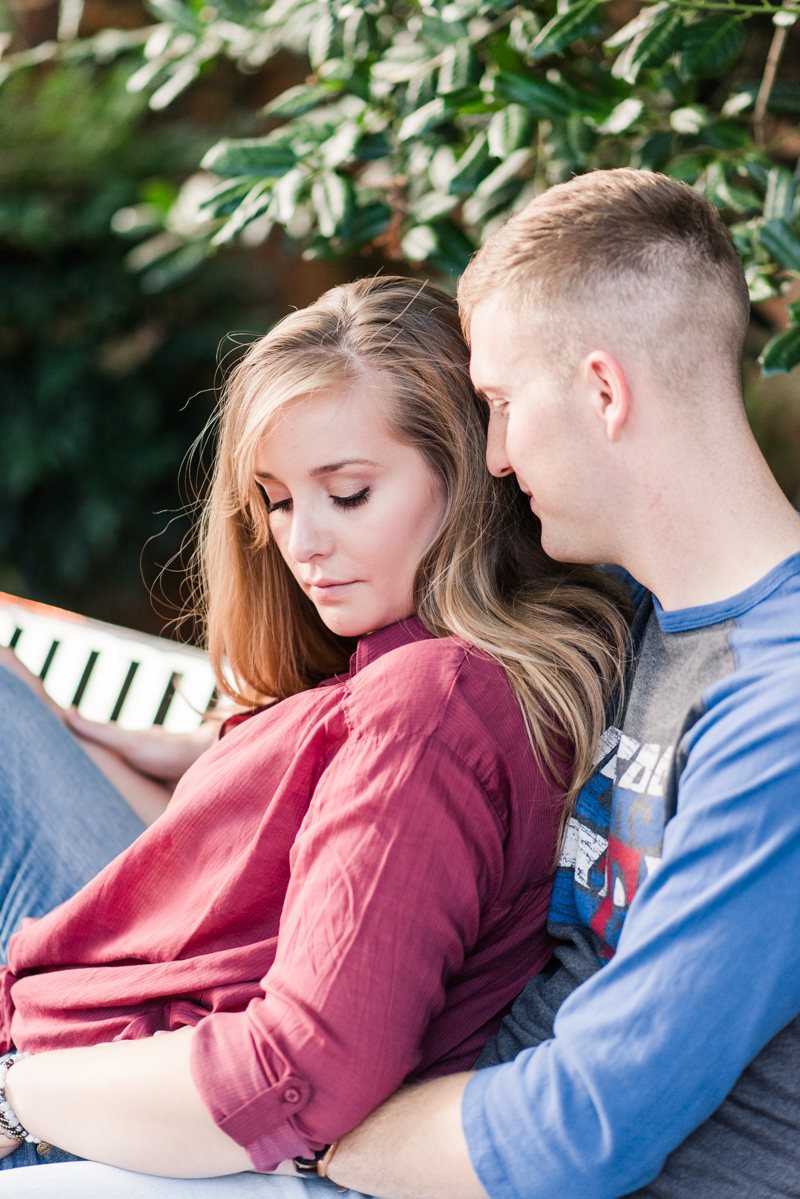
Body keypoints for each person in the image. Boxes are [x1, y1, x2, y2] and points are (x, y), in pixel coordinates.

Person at [75, 168, 800, 1199]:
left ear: (602, 389)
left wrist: (324, 1127)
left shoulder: (778, 715)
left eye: (500, 404)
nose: (492, 458)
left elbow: (580, 1127)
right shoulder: (640, 620)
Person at [0, 277, 630, 1187]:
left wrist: (18, 1095)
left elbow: (300, 1068)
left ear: (467, 476)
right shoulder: (421, 660)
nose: (302, 543)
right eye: (280, 501)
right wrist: (208, 760)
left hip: (133, 1110)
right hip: (118, 1026)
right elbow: (261, 891)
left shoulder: (436, 702)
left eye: (348, 492)